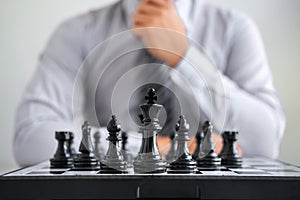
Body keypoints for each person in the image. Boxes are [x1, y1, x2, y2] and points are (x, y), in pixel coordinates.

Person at [13, 0, 286, 167]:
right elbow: (32, 138)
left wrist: (186, 57)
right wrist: (160, 148)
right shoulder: (77, 32)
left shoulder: (234, 28)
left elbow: (265, 141)